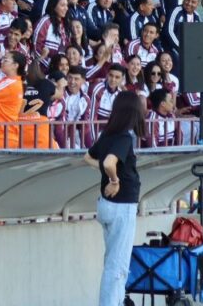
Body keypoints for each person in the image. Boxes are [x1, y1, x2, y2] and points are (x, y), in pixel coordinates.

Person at [84, 91, 145, 306]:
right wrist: (114, 180)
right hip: (122, 206)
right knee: (117, 267)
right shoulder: (123, 137)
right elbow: (110, 162)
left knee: (113, 262)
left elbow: (88, 157)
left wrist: (107, 173)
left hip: (108, 206)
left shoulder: (108, 134)